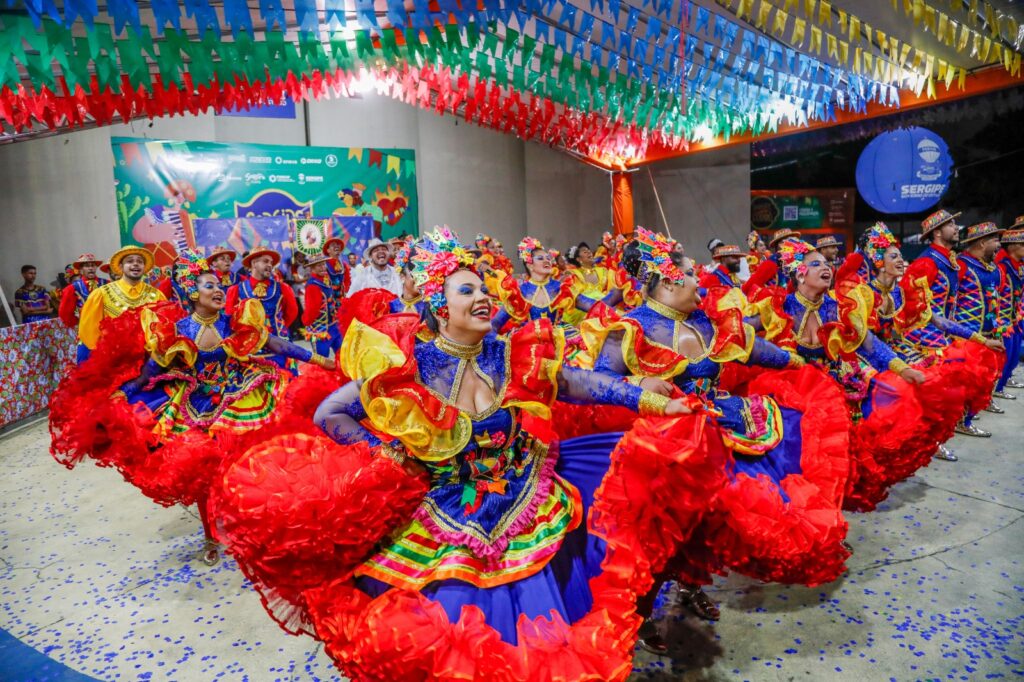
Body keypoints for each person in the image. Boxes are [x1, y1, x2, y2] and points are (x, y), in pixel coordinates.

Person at [209, 226, 722, 681]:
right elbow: (330, 414)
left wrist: (654, 399)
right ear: (438, 305)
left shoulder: (506, 351)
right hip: (447, 515)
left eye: (483, 287)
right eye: (467, 290)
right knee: (457, 643)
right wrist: (386, 452)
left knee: (554, 629)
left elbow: (575, 382)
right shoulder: (408, 366)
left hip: (531, 501)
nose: (483, 297)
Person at [576, 228, 850, 653]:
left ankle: (688, 586)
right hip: (669, 447)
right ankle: (643, 612)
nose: (699, 282)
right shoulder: (629, 330)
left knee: (709, 524)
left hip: (723, 427)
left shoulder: (706, 319)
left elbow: (752, 348)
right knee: (664, 532)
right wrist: (640, 380)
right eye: (690, 274)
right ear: (668, 280)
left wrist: (797, 360)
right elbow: (597, 383)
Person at [51, 250, 332, 566]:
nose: (219, 290)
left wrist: (322, 360)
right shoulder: (176, 331)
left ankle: (258, 525)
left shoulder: (236, 321)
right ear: (191, 291)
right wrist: (112, 398)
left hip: (242, 397)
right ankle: (212, 535)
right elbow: (149, 373)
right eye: (209, 285)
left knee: (257, 466)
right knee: (202, 475)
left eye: (218, 285)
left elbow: (277, 344)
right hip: (194, 405)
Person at [753, 237, 945, 513]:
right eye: (816, 263)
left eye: (828, 263)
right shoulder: (778, 306)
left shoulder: (837, 306)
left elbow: (869, 343)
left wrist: (902, 368)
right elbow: (743, 335)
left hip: (835, 387)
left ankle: (832, 509)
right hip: (795, 392)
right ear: (799, 273)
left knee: (843, 452)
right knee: (803, 457)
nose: (827, 267)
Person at [858, 222, 994, 463]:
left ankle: (932, 441)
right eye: (893, 256)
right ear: (879, 262)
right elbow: (868, 342)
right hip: (869, 354)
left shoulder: (900, 292)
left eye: (900, 255)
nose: (901, 260)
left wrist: (980, 339)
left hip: (897, 348)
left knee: (940, 378)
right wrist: (901, 366)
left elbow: (934, 318)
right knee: (907, 387)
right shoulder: (865, 294)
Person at [902, 209, 1002, 437]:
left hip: (946, 334)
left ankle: (947, 432)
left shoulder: (948, 261)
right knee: (934, 397)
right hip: (926, 340)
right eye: (951, 225)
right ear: (937, 232)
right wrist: (977, 338)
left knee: (954, 392)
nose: (956, 228)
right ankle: (930, 440)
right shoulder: (926, 263)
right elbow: (914, 310)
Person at [953, 222, 1012, 412]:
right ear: (981, 243)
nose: (999, 246)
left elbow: (999, 297)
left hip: (990, 333)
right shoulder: (961, 264)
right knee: (966, 381)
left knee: (986, 377)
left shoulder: (994, 268)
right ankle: (962, 419)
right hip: (967, 336)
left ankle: (974, 410)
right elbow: (950, 299)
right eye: (995, 240)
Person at [77, 247, 165, 361]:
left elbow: (164, 330)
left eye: (140, 261)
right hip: (113, 361)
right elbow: (89, 333)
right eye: (129, 261)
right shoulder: (101, 294)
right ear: (120, 267)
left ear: (144, 267)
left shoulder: (157, 295)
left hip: (148, 362)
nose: (135, 264)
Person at [225, 247, 299, 370]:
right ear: (254, 263)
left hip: (280, 348)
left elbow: (291, 313)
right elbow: (230, 319)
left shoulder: (283, 288)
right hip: (251, 352)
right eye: (265, 261)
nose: (270, 265)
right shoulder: (235, 290)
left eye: (271, 263)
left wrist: (279, 328)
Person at [995, 222, 1024, 394]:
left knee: (1012, 357)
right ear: (1012, 246)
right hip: (1002, 323)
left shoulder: (1017, 266)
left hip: (1014, 319)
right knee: (1003, 359)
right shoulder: (1003, 267)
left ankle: (1001, 387)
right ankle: (995, 390)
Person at [564, 241, 614, 325]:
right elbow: (573, 296)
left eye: (589, 250)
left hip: (604, 310)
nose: (589, 252)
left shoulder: (603, 271)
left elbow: (612, 289)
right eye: (585, 251)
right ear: (578, 259)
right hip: (581, 314)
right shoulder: (573, 274)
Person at [302, 254, 341, 358]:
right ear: (312, 268)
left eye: (324, 264)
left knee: (342, 357)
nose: (323, 267)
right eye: (319, 266)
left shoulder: (325, 280)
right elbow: (312, 310)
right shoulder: (313, 286)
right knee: (321, 362)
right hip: (320, 330)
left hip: (334, 327)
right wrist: (306, 321)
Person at [58, 254, 107, 330]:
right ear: (81, 269)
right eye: (87, 266)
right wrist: (79, 322)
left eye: (93, 265)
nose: (91, 268)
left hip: (106, 327)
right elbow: (65, 313)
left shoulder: (106, 284)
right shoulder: (72, 288)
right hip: (86, 328)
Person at [323, 237, 351, 301]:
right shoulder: (324, 265)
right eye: (333, 245)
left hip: (342, 297)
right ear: (328, 250)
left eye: (338, 245)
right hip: (329, 299)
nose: (337, 247)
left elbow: (347, 280)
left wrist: (345, 292)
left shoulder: (343, 264)